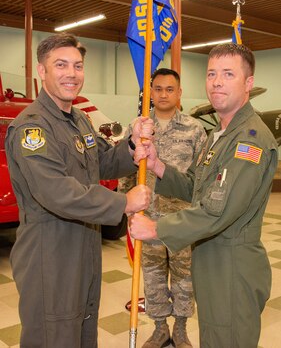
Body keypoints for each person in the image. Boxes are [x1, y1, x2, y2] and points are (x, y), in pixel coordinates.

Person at [5, 33, 153, 348]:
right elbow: (57, 192)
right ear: (41, 72)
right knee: (53, 335)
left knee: (83, 332)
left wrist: (130, 148)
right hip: (50, 250)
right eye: (61, 65)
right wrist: (123, 202)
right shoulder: (33, 128)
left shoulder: (79, 121)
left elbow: (102, 162)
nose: (72, 74)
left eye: (78, 66)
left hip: (84, 244)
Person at [130, 43, 278, 348]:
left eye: (228, 74)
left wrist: (157, 228)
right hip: (212, 261)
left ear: (248, 83)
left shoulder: (248, 140)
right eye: (211, 73)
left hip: (232, 265)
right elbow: (196, 188)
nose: (217, 82)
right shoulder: (220, 136)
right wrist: (157, 165)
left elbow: (217, 211)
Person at [119, 68, 206, 348]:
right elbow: (126, 169)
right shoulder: (140, 126)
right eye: (158, 89)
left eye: (170, 89)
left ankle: (180, 329)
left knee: (184, 278)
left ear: (179, 93)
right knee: (153, 277)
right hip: (148, 219)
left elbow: (201, 178)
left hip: (183, 221)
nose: (163, 94)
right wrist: (128, 207)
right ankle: (159, 329)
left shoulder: (195, 130)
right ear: (150, 93)